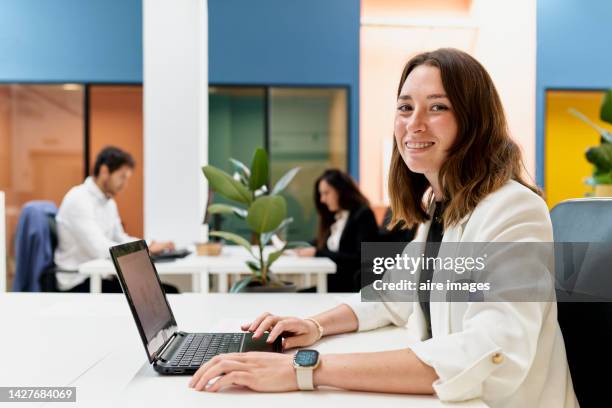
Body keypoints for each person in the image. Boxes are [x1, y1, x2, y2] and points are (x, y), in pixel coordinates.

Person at [188, 49, 577, 407]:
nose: (414, 124)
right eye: (405, 107)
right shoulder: (440, 205)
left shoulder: (514, 209)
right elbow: (391, 296)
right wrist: (314, 325)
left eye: (437, 107)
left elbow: (493, 350)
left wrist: (305, 370)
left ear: (474, 122)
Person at [54, 146, 176, 292]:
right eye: (122, 177)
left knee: (167, 290)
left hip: (99, 277)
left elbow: (120, 238)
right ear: (105, 171)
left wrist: (148, 244)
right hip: (78, 281)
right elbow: (99, 249)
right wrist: (145, 249)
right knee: (160, 292)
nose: (125, 184)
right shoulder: (78, 199)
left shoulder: (108, 202)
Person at [294, 169, 378, 292]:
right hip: (332, 283)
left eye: (326, 193)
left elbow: (360, 259)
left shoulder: (363, 215)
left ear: (341, 191)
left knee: (296, 295)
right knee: (295, 292)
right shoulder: (337, 217)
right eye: (321, 194)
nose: (322, 199)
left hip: (348, 287)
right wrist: (298, 247)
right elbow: (322, 242)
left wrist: (317, 253)